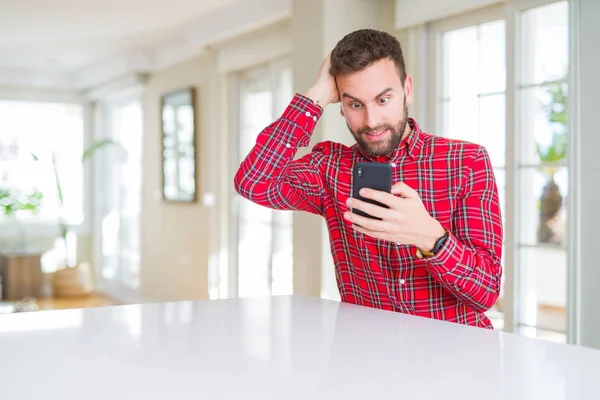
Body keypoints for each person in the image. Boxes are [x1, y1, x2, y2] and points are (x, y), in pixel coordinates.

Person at [234, 29, 503, 329]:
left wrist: (430, 237)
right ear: (341, 106)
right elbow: (253, 181)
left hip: (456, 363)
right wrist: (316, 96)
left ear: (407, 89)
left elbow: (486, 293)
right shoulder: (329, 168)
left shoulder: (466, 162)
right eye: (355, 104)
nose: (371, 121)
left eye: (383, 99)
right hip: (364, 360)